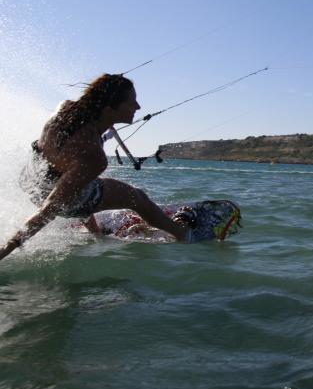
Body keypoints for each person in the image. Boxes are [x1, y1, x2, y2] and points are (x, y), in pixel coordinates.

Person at [0, 74, 192, 261]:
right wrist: (6, 248)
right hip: (57, 198)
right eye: (132, 101)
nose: (138, 107)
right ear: (109, 108)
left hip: (32, 180)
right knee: (137, 197)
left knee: (80, 179)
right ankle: (181, 233)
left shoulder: (64, 109)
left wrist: (103, 124)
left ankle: (95, 233)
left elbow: (71, 164)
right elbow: (50, 208)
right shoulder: (94, 157)